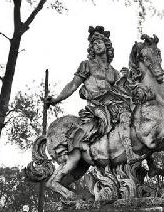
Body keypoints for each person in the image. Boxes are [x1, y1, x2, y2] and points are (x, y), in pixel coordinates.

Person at [47, 26, 142, 163]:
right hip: (97, 105)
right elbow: (73, 85)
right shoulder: (87, 65)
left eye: (99, 42)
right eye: (93, 44)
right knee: (124, 113)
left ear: (106, 45)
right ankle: (129, 152)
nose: (96, 45)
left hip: (113, 102)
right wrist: (56, 99)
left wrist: (127, 78)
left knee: (136, 112)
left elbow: (121, 91)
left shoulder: (114, 72)